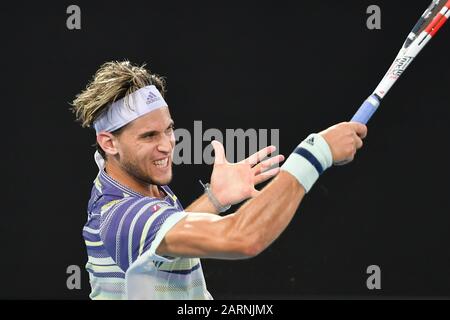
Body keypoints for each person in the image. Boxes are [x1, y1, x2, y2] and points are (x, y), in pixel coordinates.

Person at [72, 60, 367, 300]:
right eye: (149, 136)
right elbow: (243, 238)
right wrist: (316, 153)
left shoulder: (133, 180)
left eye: (168, 129)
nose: (167, 145)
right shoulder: (121, 215)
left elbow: (160, 243)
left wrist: (215, 199)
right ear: (109, 143)